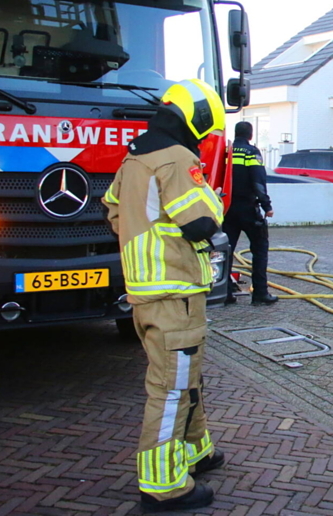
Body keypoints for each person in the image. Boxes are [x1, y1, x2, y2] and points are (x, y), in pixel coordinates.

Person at [102, 79, 228, 513]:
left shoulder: (133, 158)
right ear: (196, 117)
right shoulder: (177, 158)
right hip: (174, 293)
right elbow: (202, 222)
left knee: (184, 378)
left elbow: (114, 212)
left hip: (144, 291)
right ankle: (163, 485)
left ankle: (197, 451)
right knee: (171, 388)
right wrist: (213, 202)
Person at [222, 121, 277, 306]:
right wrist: (266, 206)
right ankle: (260, 294)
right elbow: (258, 181)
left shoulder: (226, 152)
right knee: (260, 250)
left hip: (227, 209)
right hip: (248, 209)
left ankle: (225, 293)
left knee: (226, 252)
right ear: (250, 135)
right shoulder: (251, 152)